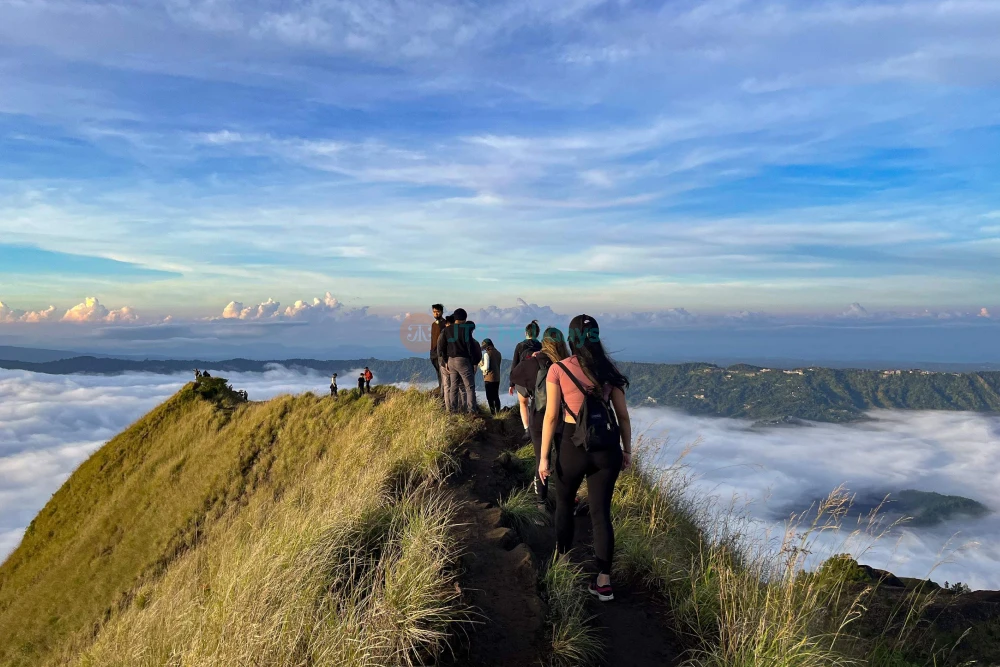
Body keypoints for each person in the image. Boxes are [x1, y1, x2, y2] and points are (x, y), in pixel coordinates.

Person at [539, 315, 631, 603]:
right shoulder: (609, 370)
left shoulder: (558, 369)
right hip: (606, 446)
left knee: (564, 503)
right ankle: (604, 582)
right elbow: (622, 416)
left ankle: (563, 562)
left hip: (572, 445)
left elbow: (551, 417)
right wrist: (627, 450)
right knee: (601, 514)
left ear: (571, 339)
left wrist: (543, 458)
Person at [510, 326, 569, 505]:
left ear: (544, 342)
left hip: (540, 415)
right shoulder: (568, 362)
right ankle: (565, 500)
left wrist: (530, 363)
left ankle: (541, 501)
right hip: (564, 417)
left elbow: (514, 375)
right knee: (563, 458)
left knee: (541, 459)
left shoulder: (535, 361)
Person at [438, 308, 481, 413]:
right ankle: (471, 411)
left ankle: (453, 410)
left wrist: (446, 361)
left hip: (451, 361)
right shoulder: (466, 330)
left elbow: (442, 347)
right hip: (463, 360)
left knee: (454, 386)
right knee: (469, 387)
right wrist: (474, 362)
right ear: (465, 319)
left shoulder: (447, 330)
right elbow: (470, 347)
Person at [510, 320, 542, 440]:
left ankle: (527, 430)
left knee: (523, 404)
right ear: (537, 334)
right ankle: (538, 428)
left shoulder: (520, 346)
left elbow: (514, 364)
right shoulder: (541, 346)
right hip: (538, 380)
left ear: (526, 333)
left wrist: (511, 383)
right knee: (538, 405)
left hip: (521, 379)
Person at [479, 338, 503, 415]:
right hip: (497, 378)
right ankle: (498, 413)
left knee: (489, 397)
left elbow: (486, 367)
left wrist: (481, 367)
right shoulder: (498, 353)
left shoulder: (487, 354)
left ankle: (493, 413)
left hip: (489, 379)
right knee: (496, 396)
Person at [429, 304, 446, 398]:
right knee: (438, 374)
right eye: (434, 312)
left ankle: (443, 395)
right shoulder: (433, 324)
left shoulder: (445, 324)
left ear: (442, 312)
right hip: (433, 353)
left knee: (442, 374)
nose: (436, 313)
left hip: (441, 353)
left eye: (438, 311)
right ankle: (441, 391)